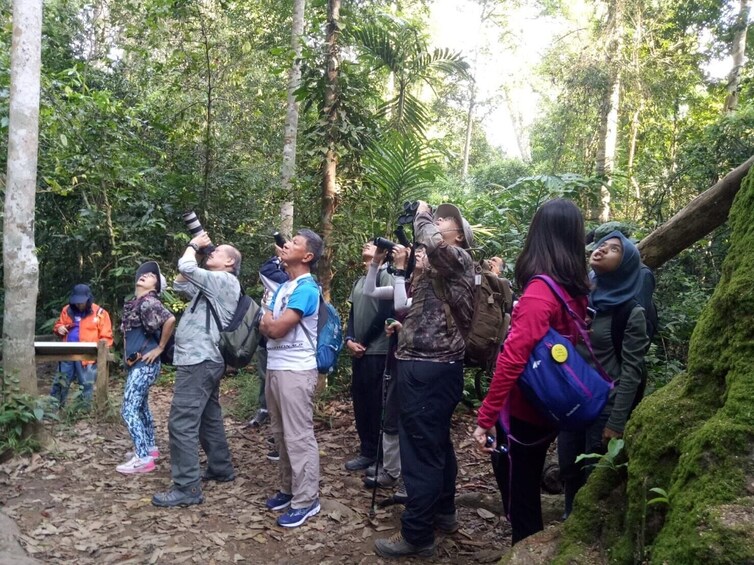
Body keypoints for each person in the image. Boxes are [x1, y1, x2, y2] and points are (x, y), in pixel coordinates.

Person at [472, 198, 592, 544]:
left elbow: (513, 357)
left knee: (519, 490)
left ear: (539, 234)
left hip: (525, 410)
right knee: (522, 482)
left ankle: (526, 548)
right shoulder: (576, 289)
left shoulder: (541, 291)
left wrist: (486, 416)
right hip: (552, 404)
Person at [374, 202, 475, 559]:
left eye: (445, 220)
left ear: (459, 235)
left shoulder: (459, 259)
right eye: (436, 217)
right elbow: (427, 314)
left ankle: (417, 534)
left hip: (430, 370)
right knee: (436, 446)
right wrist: (405, 328)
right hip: (431, 366)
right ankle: (443, 513)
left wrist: (422, 213)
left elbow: (433, 244)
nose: (437, 222)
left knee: (419, 453)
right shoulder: (436, 273)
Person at [557, 230, 650, 517]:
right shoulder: (581, 299)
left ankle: (585, 527)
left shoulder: (630, 313)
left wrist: (617, 421)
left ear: (626, 264)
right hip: (572, 402)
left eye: (613, 250)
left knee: (593, 475)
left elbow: (632, 372)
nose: (600, 250)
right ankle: (568, 519)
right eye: (601, 246)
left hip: (604, 408)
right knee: (567, 468)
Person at [152, 233, 241, 507]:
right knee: (208, 417)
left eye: (218, 252)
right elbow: (181, 285)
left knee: (182, 422)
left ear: (230, 263)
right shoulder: (211, 286)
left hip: (199, 360)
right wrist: (200, 254)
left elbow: (186, 268)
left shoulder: (225, 281)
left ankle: (187, 487)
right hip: (203, 359)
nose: (212, 253)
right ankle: (220, 467)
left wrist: (193, 246)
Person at [260, 229, 324, 528]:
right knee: (280, 432)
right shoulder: (285, 287)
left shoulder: (306, 289)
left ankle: (306, 499)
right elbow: (265, 323)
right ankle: (288, 489)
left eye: (295, 243)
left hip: (296, 369)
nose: (287, 245)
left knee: (298, 436)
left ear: (307, 256)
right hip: (276, 366)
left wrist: (270, 322)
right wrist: (270, 322)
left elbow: (274, 328)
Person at [116, 262, 176, 475]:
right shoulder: (138, 302)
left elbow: (170, 319)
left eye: (151, 276)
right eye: (144, 274)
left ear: (155, 287)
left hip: (145, 364)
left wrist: (160, 348)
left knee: (128, 409)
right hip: (140, 364)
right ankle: (149, 448)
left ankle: (142, 458)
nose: (144, 276)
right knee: (140, 406)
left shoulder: (148, 302)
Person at [343, 241, 395, 475]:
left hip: (379, 351)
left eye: (374, 244)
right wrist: (349, 339)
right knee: (360, 402)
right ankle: (367, 451)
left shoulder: (386, 276)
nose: (366, 244)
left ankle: (381, 457)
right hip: (360, 351)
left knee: (377, 404)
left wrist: (362, 342)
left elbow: (386, 313)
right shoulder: (359, 281)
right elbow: (353, 315)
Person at [51, 284, 113, 409]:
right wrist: (59, 328)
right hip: (67, 352)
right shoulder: (67, 310)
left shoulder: (100, 313)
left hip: (88, 356)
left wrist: (99, 352)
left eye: (82, 302)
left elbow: (107, 337)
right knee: (60, 381)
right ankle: (54, 408)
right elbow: (58, 325)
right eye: (77, 302)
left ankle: (83, 411)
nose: (79, 305)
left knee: (86, 384)